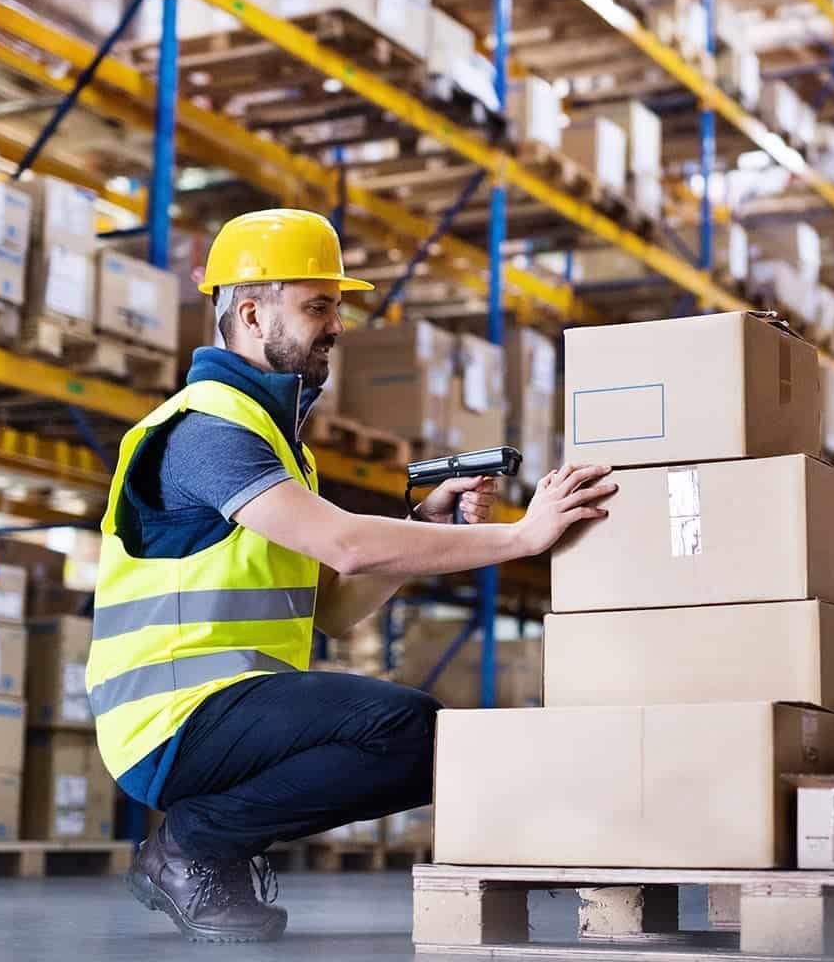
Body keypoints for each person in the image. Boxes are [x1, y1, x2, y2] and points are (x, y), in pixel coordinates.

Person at [88, 209, 615, 943]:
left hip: (226, 710)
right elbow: (349, 546)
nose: (336, 326)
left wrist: (432, 527)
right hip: (173, 719)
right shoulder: (207, 432)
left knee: (416, 738)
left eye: (335, 308)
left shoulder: (278, 446)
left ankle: (203, 843)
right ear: (249, 311)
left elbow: (335, 610)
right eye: (317, 306)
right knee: (406, 728)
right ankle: (195, 846)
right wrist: (522, 536)